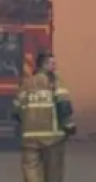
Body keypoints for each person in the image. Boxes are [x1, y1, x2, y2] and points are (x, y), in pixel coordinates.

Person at [13, 51, 76, 182]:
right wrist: (69, 125)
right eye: (52, 64)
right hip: (52, 138)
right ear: (44, 65)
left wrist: (26, 125)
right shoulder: (55, 83)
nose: (55, 67)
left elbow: (16, 110)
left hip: (30, 138)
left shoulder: (26, 84)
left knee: (31, 170)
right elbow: (64, 106)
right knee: (53, 172)